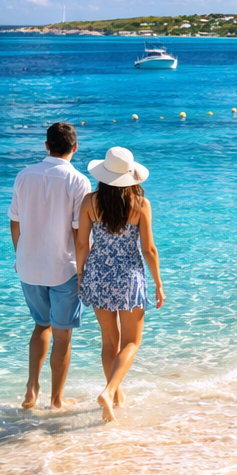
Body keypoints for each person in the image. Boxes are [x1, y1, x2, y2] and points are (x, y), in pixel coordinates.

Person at [76, 146, 165, 423]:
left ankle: (114, 396)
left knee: (109, 341)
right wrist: (159, 283)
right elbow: (148, 249)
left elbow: (81, 244)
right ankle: (110, 391)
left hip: (98, 275)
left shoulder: (90, 202)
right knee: (131, 343)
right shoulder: (140, 205)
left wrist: (82, 275)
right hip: (129, 279)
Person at [9, 121, 91, 410]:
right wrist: (83, 271)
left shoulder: (23, 175)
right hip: (63, 268)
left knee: (40, 324)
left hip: (29, 267)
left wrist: (19, 256)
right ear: (75, 148)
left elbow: (15, 221)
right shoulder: (79, 181)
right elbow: (79, 234)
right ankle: (56, 400)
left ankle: (31, 389)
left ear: (46, 146)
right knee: (62, 333)